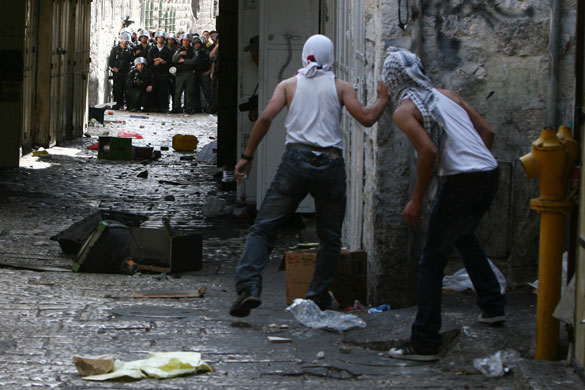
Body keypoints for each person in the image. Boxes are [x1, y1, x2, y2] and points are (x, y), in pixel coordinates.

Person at [229, 34, 389, 317]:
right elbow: (366, 118)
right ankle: (316, 297)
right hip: (330, 163)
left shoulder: (289, 85)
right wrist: (383, 99)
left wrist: (247, 156)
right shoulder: (342, 87)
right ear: (331, 56)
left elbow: (265, 118)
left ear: (305, 55)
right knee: (329, 237)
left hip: (296, 161)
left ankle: (249, 287)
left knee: (264, 228)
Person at [381, 47, 505, 362]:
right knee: (463, 235)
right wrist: (473, 162)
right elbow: (487, 131)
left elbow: (428, 152)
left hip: (461, 181)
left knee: (431, 261)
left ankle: (424, 341)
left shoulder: (405, 110)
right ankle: (492, 305)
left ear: (392, 80)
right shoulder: (447, 94)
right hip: (489, 173)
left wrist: (417, 200)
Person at [108, 31, 134, 110]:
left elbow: (132, 60)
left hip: (126, 72)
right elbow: (111, 60)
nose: (125, 42)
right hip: (118, 72)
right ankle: (117, 104)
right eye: (124, 40)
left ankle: (129, 105)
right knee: (117, 89)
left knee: (127, 89)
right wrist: (113, 67)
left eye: (126, 41)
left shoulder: (130, 50)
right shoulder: (115, 49)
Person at [147, 30, 172, 112]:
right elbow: (149, 61)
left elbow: (169, 62)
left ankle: (164, 107)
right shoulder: (152, 50)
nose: (160, 39)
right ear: (156, 39)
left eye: (162, 38)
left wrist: (163, 62)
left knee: (164, 91)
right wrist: (156, 61)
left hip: (164, 74)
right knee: (154, 90)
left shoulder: (167, 50)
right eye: (159, 38)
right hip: (154, 73)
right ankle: (154, 107)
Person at [172, 34, 196, 114]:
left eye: (187, 40)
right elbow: (174, 59)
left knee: (189, 91)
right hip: (180, 73)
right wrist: (180, 54)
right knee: (178, 91)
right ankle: (176, 108)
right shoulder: (179, 50)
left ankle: (188, 108)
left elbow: (195, 61)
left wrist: (184, 61)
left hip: (189, 72)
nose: (185, 42)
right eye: (184, 40)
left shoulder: (193, 50)